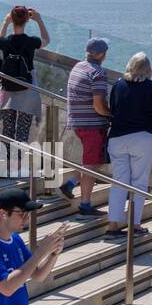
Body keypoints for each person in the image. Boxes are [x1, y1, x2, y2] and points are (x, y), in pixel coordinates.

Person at [105, 53, 152, 238]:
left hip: (117, 138)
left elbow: (113, 108)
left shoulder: (118, 85)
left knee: (119, 181)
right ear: (148, 70)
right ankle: (134, 224)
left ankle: (113, 225)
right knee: (139, 182)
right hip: (142, 138)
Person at [59, 37, 111, 217]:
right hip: (92, 125)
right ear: (103, 54)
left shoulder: (78, 67)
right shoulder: (98, 73)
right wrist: (112, 115)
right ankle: (85, 204)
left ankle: (71, 183)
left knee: (96, 160)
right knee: (91, 163)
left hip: (77, 121)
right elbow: (99, 105)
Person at [0, 5, 49, 144]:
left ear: (12, 19)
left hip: (8, 86)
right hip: (27, 87)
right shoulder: (31, 41)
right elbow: (46, 40)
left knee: (8, 128)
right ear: (27, 20)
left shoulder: (6, 42)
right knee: (23, 129)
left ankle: (7, 159)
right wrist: (39, 20)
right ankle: (18, 161)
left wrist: (5, 23)